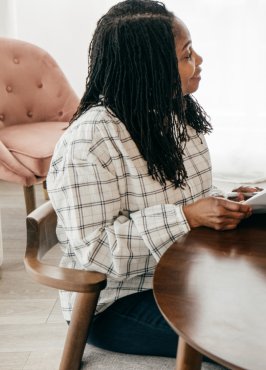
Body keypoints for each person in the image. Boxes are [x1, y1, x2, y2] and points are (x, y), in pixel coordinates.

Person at [47, 0, 250, 358]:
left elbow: (181, 195)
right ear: (149, 67)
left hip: (184, 273)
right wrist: (187, 217)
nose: (199, 60)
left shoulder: (175, 113)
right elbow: (95, 255)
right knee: (249, 337)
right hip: (117, 302)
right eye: (186, 54)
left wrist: (225, 200)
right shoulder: (89, 142)